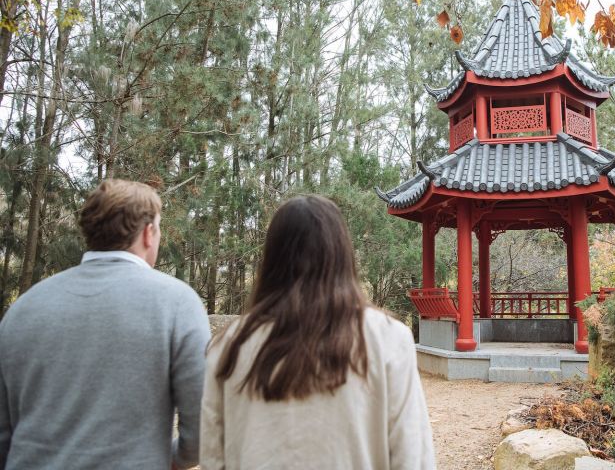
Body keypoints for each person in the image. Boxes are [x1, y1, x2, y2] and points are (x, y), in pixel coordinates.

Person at [200, 195, 435, 470]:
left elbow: (213, 459)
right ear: (342, 254)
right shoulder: (389, 338)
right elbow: (413, 457)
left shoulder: (229, 345)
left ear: (272, 259)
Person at [0, 179, 210, 470]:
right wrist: (174, 458)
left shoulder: (23, 309)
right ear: (149, 233)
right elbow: (202, 423)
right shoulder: (178, 304)